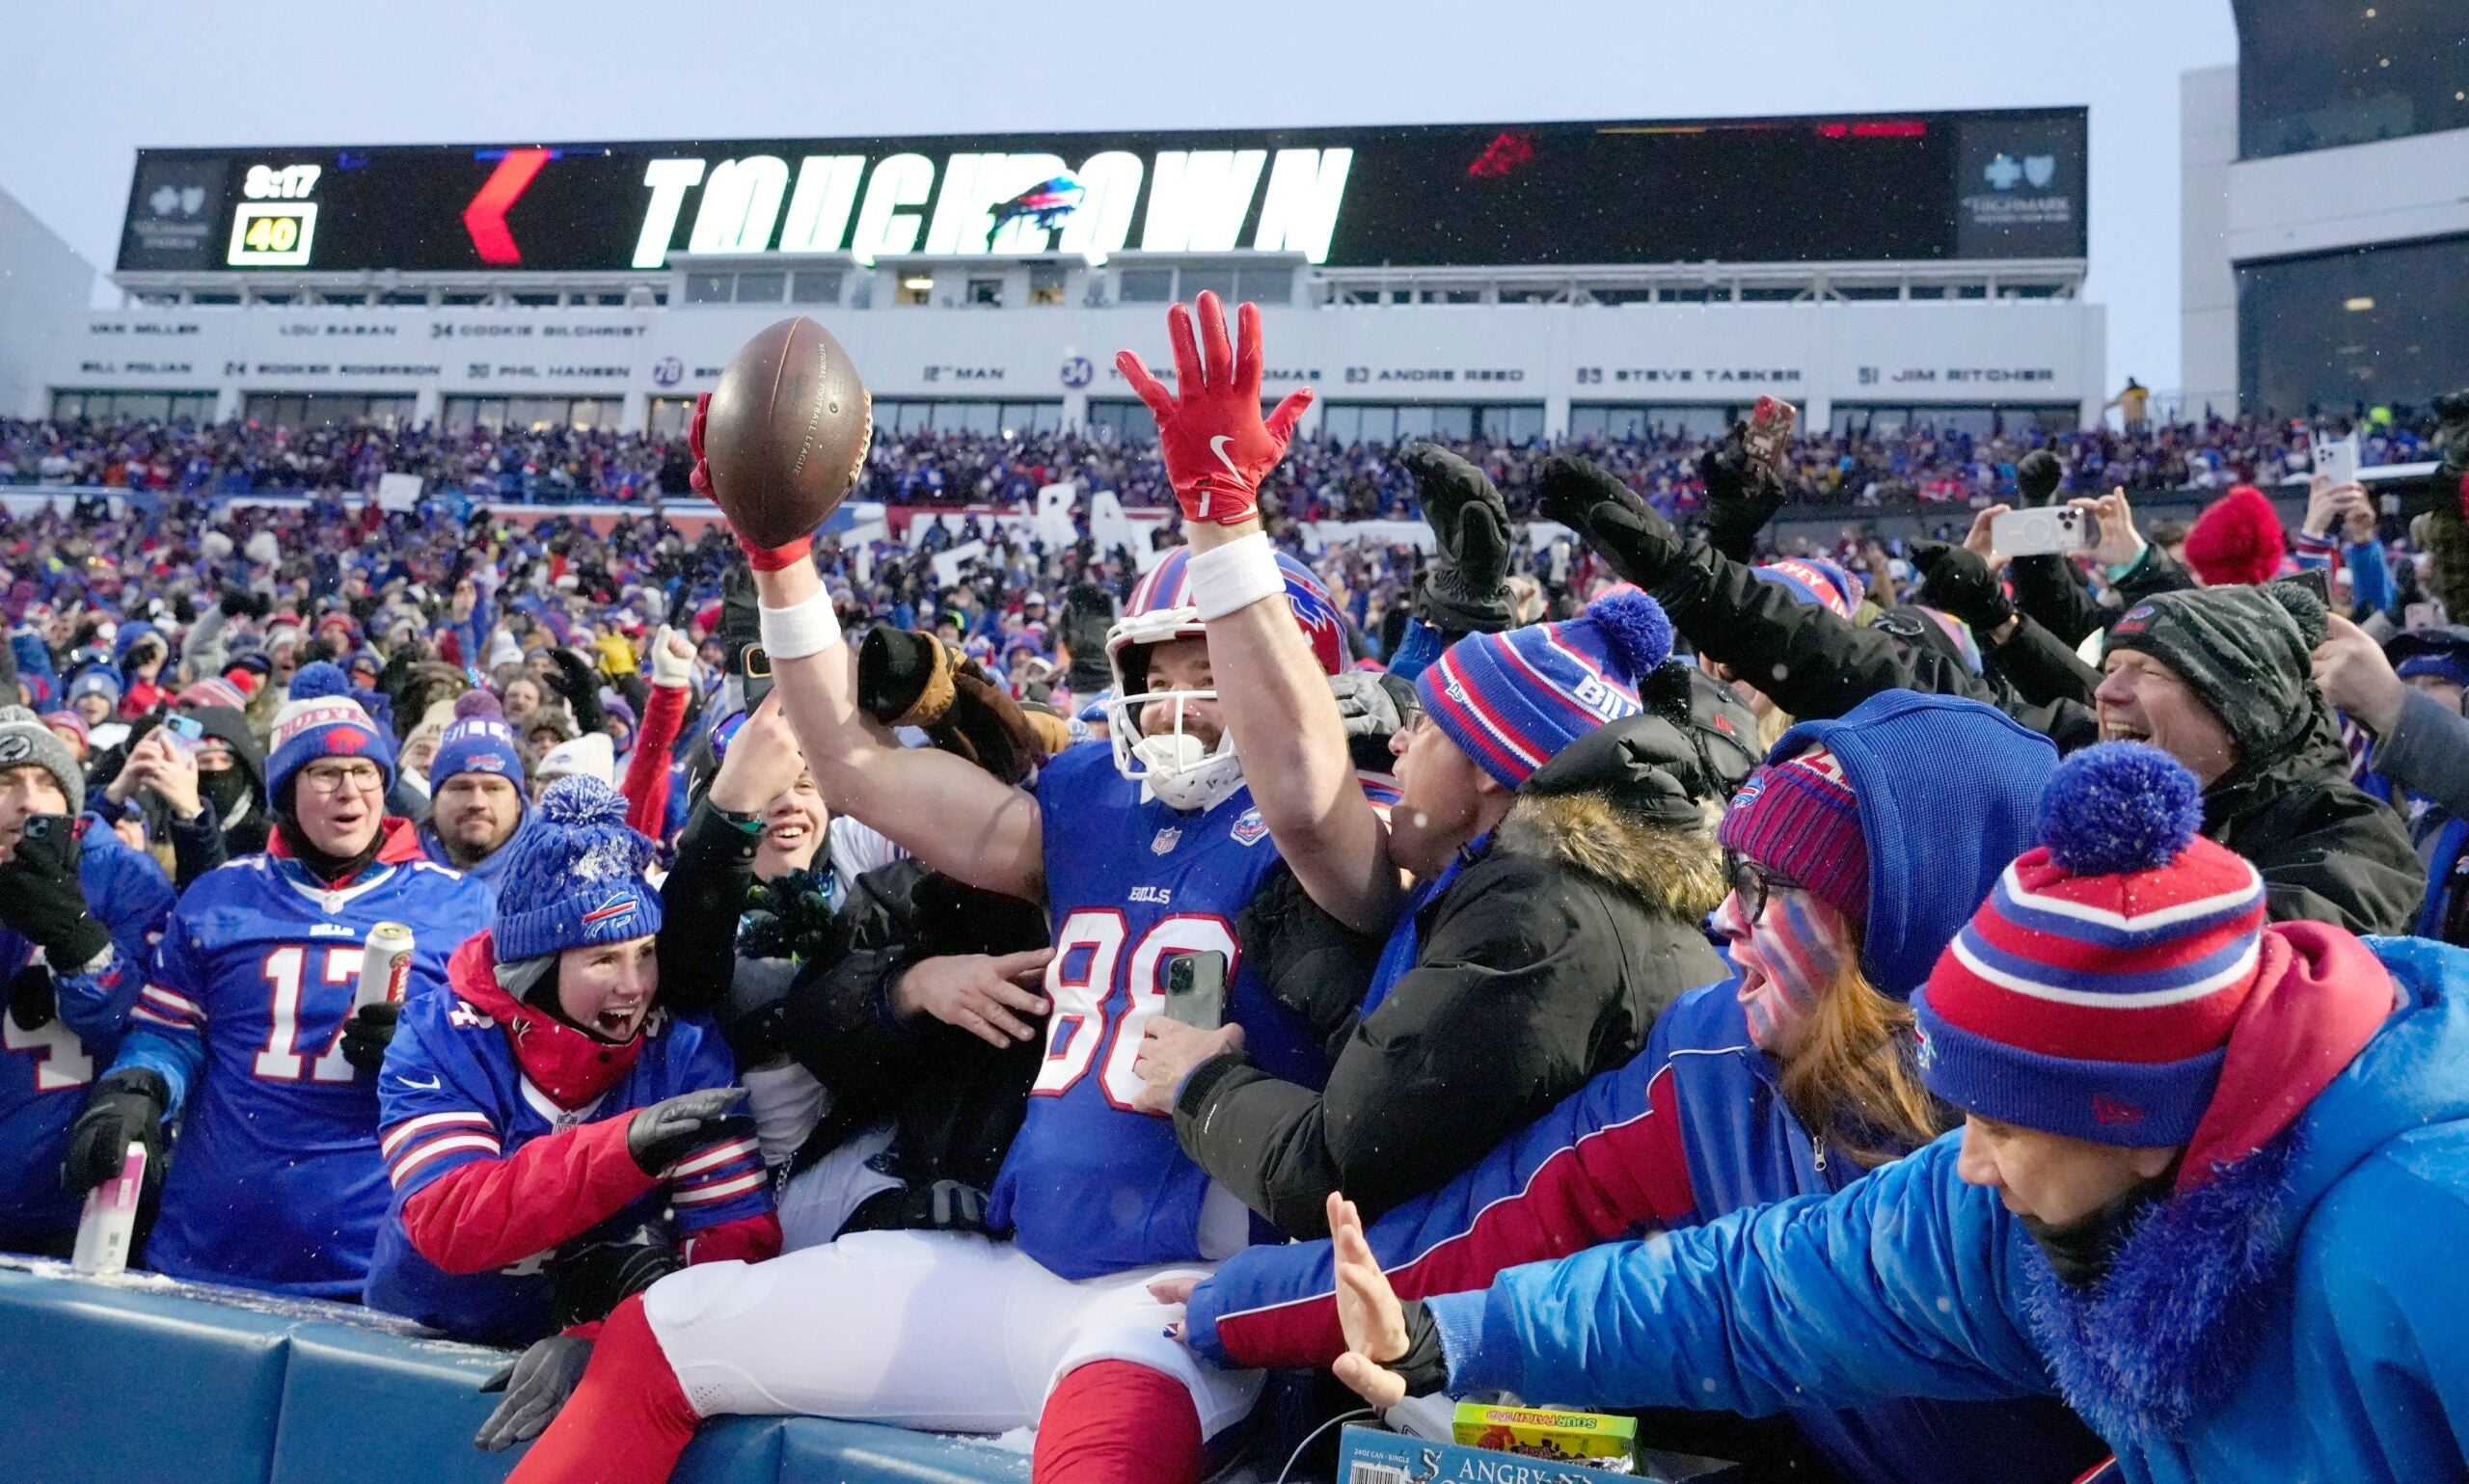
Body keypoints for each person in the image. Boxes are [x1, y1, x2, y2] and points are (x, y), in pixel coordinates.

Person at [505, 307, 1395, 1484]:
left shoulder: (1346, 832)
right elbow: (855, 761)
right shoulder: (1086, 802)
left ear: (1293, 672)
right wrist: (783, 566)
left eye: (1212, 668)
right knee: (660, 1339)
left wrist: (1226, 521)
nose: (1180, 703)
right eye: (1159, 672)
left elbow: (1296, 784)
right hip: (1015, 1262)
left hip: (1181, 1296)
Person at [1329, 743, 2469, 1484]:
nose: (1965, 1163)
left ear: (2146, 1126)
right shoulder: (2039, 1209)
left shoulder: (2426, 1229)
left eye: (2005, 1127)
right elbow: (1767, 1291)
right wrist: (1457, 1338)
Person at [1175, 691, 2103, 1484]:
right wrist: (1235, 1307)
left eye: (1767, 884)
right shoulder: (1712, 1056)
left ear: (1897, 922)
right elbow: (1503, 1226)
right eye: (1729, 873)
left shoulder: (2077, 1136)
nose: (1725, 918)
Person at [1126, 417, 1734, 1233]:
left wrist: (1201, 1083)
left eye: (1431, 726)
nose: (1399, 738)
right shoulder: (1544, 889)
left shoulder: (1535, 921)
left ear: (1490, 768)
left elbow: (1341, 1175)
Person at [1542, 454, 2426, 933]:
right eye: (2110, 663)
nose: (2104, 689)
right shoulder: (2084, 748)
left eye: (2147, 673)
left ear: (2246, 705)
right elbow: (1891, 680)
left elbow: (2217, 981)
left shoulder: (2350, 839)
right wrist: (1689, 576)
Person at [60, 672, 492, 1298]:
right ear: (286, 792)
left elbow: (500, 1064)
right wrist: (138, 1087)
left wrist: (426, 1051)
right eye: (326, 772)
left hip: (377, 1255)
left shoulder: (459, 906)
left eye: (365, 771)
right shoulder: (220, 895)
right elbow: (168, 1034)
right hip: (211, 1243)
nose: (350, 790)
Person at [365, 776, 776, 1354]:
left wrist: (608, 1339)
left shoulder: (684, 1046)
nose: (634, 986)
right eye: (603, 959)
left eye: (646, 953)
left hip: (607, 1358)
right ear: (536, 966)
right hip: (420, 1341)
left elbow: (733, 1242)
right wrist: (625, 1150)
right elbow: (450, 1220)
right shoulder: (441, 1033)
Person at [0, 708, 176, 1252]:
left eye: (46, 784)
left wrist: (82, 948)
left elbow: (156, 1033)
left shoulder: (124, 877)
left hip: (74, 1202)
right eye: (5, 783)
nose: (27, 801)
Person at [2314, 619, 2469, 941]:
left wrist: (2394, 704)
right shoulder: (2355, 778)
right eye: (2408, 682)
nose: (2421, 694)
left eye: (2440, 682)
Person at [419, 690, 530, 891]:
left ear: (518, 801)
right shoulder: (395, 871)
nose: (477, 802)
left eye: (493, 788)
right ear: (434, 800)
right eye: (461, 788)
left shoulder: (554, 872)